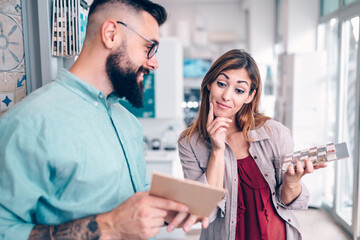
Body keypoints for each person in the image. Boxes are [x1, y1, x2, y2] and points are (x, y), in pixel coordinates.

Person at [0, 0, 208, 239]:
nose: (154, 62)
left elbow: (133, 203)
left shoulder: (128, 124)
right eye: (149, 47)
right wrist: (109, 225)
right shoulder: (28, 124)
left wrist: (166, 208)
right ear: (110, 34)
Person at [178, 49, 326, 240]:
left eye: (239, 90)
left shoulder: (275, 133)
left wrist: (291, 183)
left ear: (249, 96)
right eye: (221, 84)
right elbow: (202, 211)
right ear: (208, 84)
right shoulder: (190, 144)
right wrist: (217, 150)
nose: (226, 96)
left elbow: (287, 201)